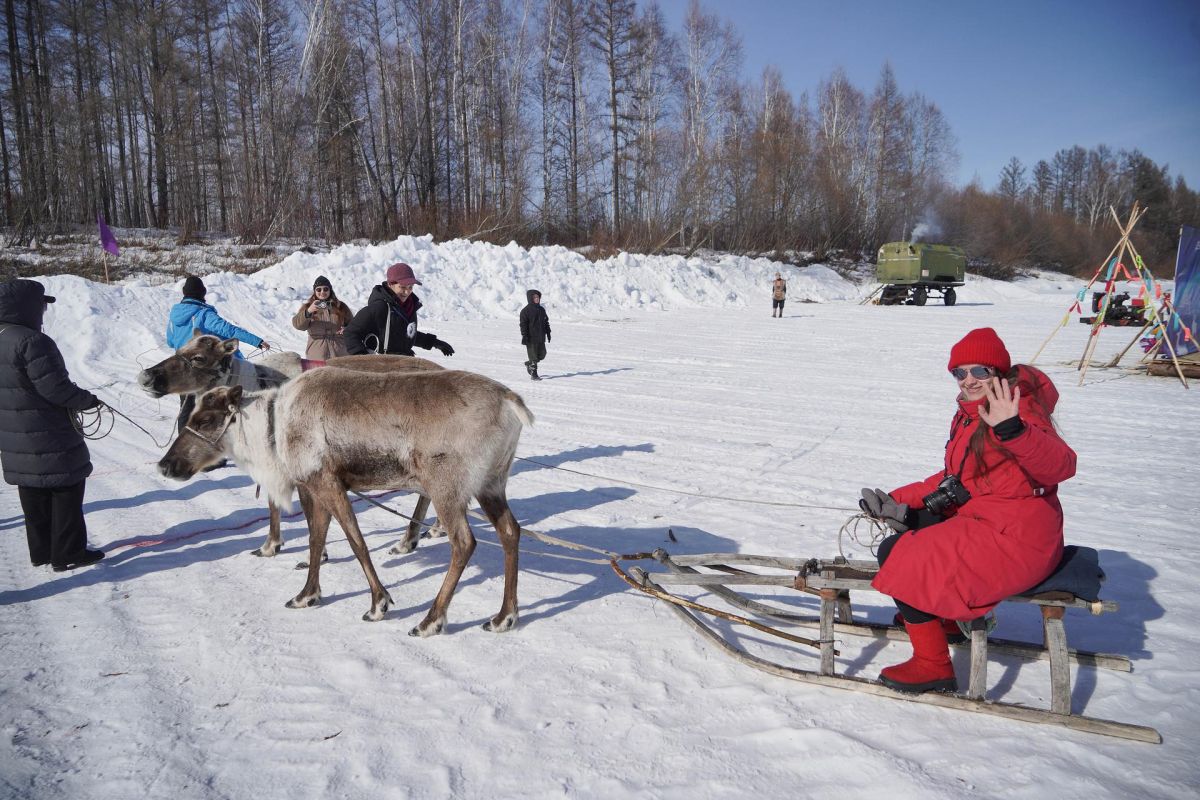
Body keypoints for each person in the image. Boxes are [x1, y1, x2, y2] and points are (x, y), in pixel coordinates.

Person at [859, 327, 1076, 694]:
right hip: (991, 521)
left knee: (898, 552)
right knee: (913, 523)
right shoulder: (971, 413)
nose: (968, 380)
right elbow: (954, 477)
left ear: (999, 372)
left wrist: (1013, 430)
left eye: (980, 370)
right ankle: (942, 617)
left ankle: (932, 665)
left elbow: (1061, 466)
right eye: (959, 372)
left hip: (1020, 539)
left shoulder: (1017, 410)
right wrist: (897, 500)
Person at [0, 279, 105, 571]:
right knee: (67, 487)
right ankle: (69, 552)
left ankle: (42, 551)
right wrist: (87, 400)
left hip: (11, 435)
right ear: (26, 307)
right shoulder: (32, 341)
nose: (44, 311)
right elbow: (56, 389)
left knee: (32, 490)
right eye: (41, 305)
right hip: (48, 431)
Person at [166, 274, 270, 435]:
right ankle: (218, 449)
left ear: (185, 293)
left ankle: (184, 444)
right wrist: (257, 341)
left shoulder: (174, 317)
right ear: (202, 293)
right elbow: (229, 330)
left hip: (181, 370)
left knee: (186, 409)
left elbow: (171, 341)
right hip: (202, 371)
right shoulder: (203, 314)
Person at [343, 263, 455, 358]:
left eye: (410, 287)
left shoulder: (409, 307)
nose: (407, 292)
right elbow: (351, 332)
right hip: (381, 365)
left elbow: (406, 335)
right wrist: (362, 358)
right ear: (390, 284)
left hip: (403, 362)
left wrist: (434, 342)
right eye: (402, 287)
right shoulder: (379, 307)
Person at [291, 275, 352, 359]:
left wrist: (347, 329)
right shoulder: (308, 307)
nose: (322, 292)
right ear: (314, 291)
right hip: (317, 354)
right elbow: (298, 325)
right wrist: (308, 312)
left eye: (325, 289)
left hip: (339, 353)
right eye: (319, 289)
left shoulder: (341, 306)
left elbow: (353, 325)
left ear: (330, 290)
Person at [519, 289, 551, 381]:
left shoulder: (541, 310)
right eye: (535, 297)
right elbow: (523, 325)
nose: (537, 299)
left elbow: (546, 322)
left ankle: (529, 364)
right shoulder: (525, 311)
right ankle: (534, 374)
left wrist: (548, 332)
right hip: (531, 338)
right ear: (530, 298)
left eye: (538, 297)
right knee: (533, 357)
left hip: (541, 337)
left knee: (542, 354)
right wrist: (524, 336)